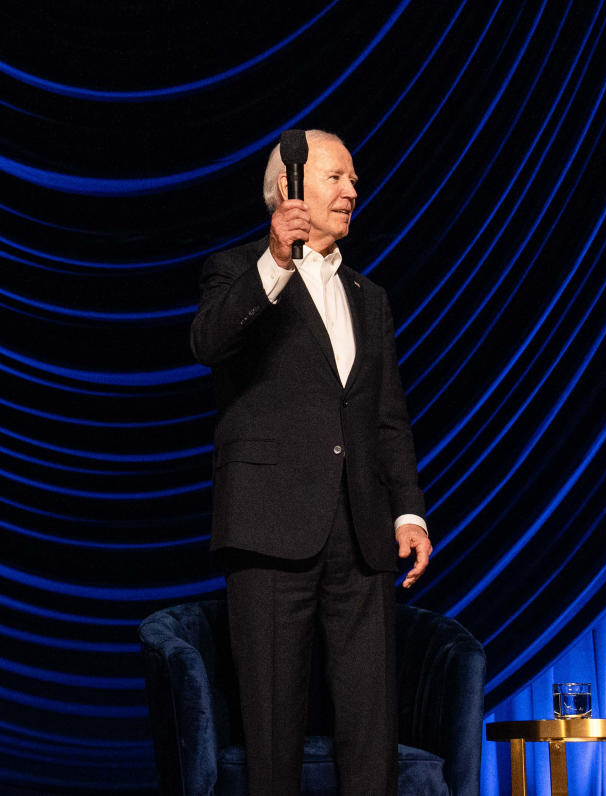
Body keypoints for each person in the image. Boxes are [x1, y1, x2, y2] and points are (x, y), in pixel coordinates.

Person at [191, 129, 432, 795]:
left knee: (370, 724)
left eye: (353, 180)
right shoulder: (236, 268)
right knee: (271, 727)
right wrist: (274, 259)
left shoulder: (369, 295)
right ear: (289, 189)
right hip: (270, 526)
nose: (353, 191)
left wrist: (408, 511)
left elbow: (385, 415)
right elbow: (207, 343)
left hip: (361, 528)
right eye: (337, 178)